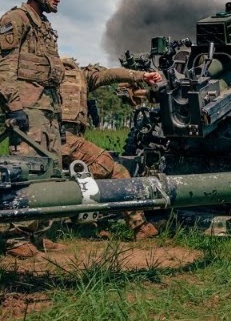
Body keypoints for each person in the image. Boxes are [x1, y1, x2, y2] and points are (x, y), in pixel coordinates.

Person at [0, 0, 68, 257]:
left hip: (47, 109)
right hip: (28, 108)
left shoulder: (45, 26)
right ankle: (16, 237)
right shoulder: (16, 19)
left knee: (51, 173)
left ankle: (39, 234)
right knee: (27, 171)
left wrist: (58, 114)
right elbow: (3, 66)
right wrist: (14, 107)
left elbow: (52, 74)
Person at [60, 57, 163, 239]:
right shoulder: (73, 76)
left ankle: (90, 225)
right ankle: (138, 226)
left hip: (60, 140)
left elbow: (111, 75)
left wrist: (140, 76)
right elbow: (110, 75)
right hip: (63, 140)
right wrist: (142, 75)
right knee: (106, 165)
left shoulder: (77, 76)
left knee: (108, 172)